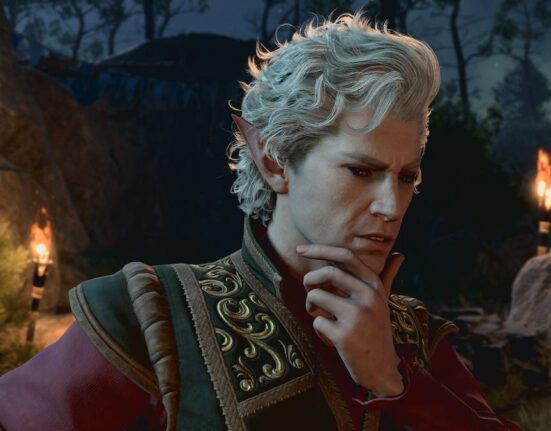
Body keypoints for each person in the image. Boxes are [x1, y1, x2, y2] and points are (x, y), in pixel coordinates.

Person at [0, 12, 522, 431]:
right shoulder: (149, 316)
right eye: (361, 171)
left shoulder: (415, 339)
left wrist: (393, 381)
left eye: (407, 176)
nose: (392, 205)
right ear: (274, 160)